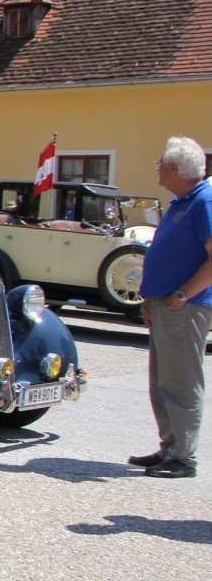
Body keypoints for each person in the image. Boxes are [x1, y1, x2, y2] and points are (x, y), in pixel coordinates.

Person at [130, 136, 212, 478]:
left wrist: (182, 294)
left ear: (175, 168)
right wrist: (151, 298)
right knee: (162, 381)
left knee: (180, 382)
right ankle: (170, 447)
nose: (158, 169)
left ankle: (183, 457)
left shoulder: (204, 201)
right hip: (165, 305)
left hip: (184, 306)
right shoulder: (182, 201)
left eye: (160, 163)